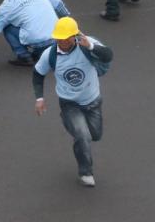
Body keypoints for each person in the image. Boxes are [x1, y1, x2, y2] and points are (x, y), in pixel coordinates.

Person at [33, 16, 112, 187]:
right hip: (70, 104)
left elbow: (108, 56)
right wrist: (39, 98)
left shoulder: (87, 44)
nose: (61, 41)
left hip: (93, 101)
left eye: (65, 38)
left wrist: (90, 46)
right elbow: (38, 73)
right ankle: (86, 173)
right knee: (82, 136)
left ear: (74, 36)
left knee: (95, 135)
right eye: (58, 38)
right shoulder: (51, 54)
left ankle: (80, 134)